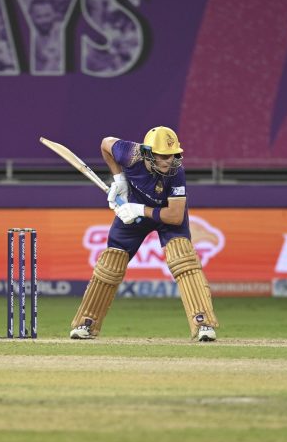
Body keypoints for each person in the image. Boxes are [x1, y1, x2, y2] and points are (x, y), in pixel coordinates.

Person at [69, 126, 219, 342]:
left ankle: (203, 324)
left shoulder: (177, 172)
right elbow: (105, 143)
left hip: (165, 215)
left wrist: (140, 209)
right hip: (132, 213)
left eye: (173, 155)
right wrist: (119, 178)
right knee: (110, 264)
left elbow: (175, 217)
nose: (169, 161)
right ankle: (86, 323)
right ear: (148, 152)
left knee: (183, 259)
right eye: (163, 156)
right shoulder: (130, 153)